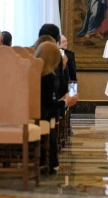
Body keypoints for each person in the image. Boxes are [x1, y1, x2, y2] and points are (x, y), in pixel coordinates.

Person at [35, 41, 78, 174]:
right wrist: (67, 101)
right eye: (63, 41)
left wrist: (72, 93)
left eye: (65, 41)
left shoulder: (70, 55)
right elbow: (49, 102)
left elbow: (73, 77)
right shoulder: (49, 76)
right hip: (47, 110)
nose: (65, 43)